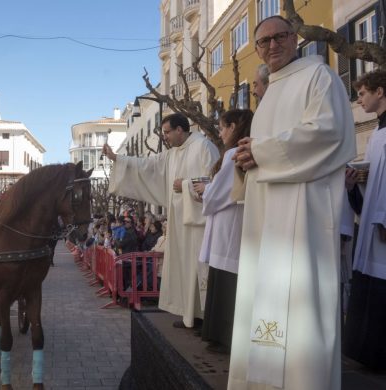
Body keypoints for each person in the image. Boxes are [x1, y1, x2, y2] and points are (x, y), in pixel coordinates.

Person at [228, 15, 356, 390]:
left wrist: (261, 153)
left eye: (279, 37)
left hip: (304, 215)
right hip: (267, 213)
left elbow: (328, 133)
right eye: (263, 42)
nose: (271, 46)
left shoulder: (319, 77)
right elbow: (261, 153)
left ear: (295, 38)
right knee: (262, 293)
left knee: (301, 300)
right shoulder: (269, 94)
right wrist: (247, 160)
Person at [102, 112, 220, 329]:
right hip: (179, 220)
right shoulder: (171, 154)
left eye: (167, 132)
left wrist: (184, 184)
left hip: (200, 221)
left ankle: (207, 317)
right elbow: (146, 165)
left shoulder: (204, 147)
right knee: (184, 267)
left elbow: (214, 182)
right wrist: (116, 158)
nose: (164, 136)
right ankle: (190, 314)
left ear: (180, 129)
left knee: (201, 267)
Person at [193, 109, 253, 352]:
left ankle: (225, 337)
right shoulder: (237, 152)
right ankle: (219, 334)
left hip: (229, 223)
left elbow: (219, 193)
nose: (219, 132)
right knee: (224, 279)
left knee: (227, 282)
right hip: (230, 220)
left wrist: (203, 191)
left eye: (222, 127)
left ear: (233, 127)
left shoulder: (232, 154)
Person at [343, 70, 386, 371]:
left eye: (363, 92)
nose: (359, 98)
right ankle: (367, 354)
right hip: (372, 220)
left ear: (380, 91)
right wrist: (352, 186)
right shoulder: (378, 133)